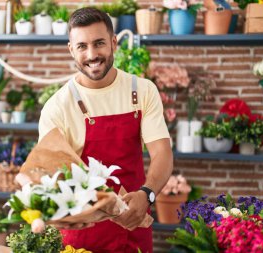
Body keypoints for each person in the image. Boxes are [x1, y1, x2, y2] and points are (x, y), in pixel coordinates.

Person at [38, 7, 173, 253]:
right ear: (71, 50)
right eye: (82, 46)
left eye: (99, 43)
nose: (92, 54)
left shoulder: (141, 91)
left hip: (134, 226)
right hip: (80, 239)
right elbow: (52, 180)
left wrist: (147, 194)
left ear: (113, 43)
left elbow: (162, 153)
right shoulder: (57, 107)